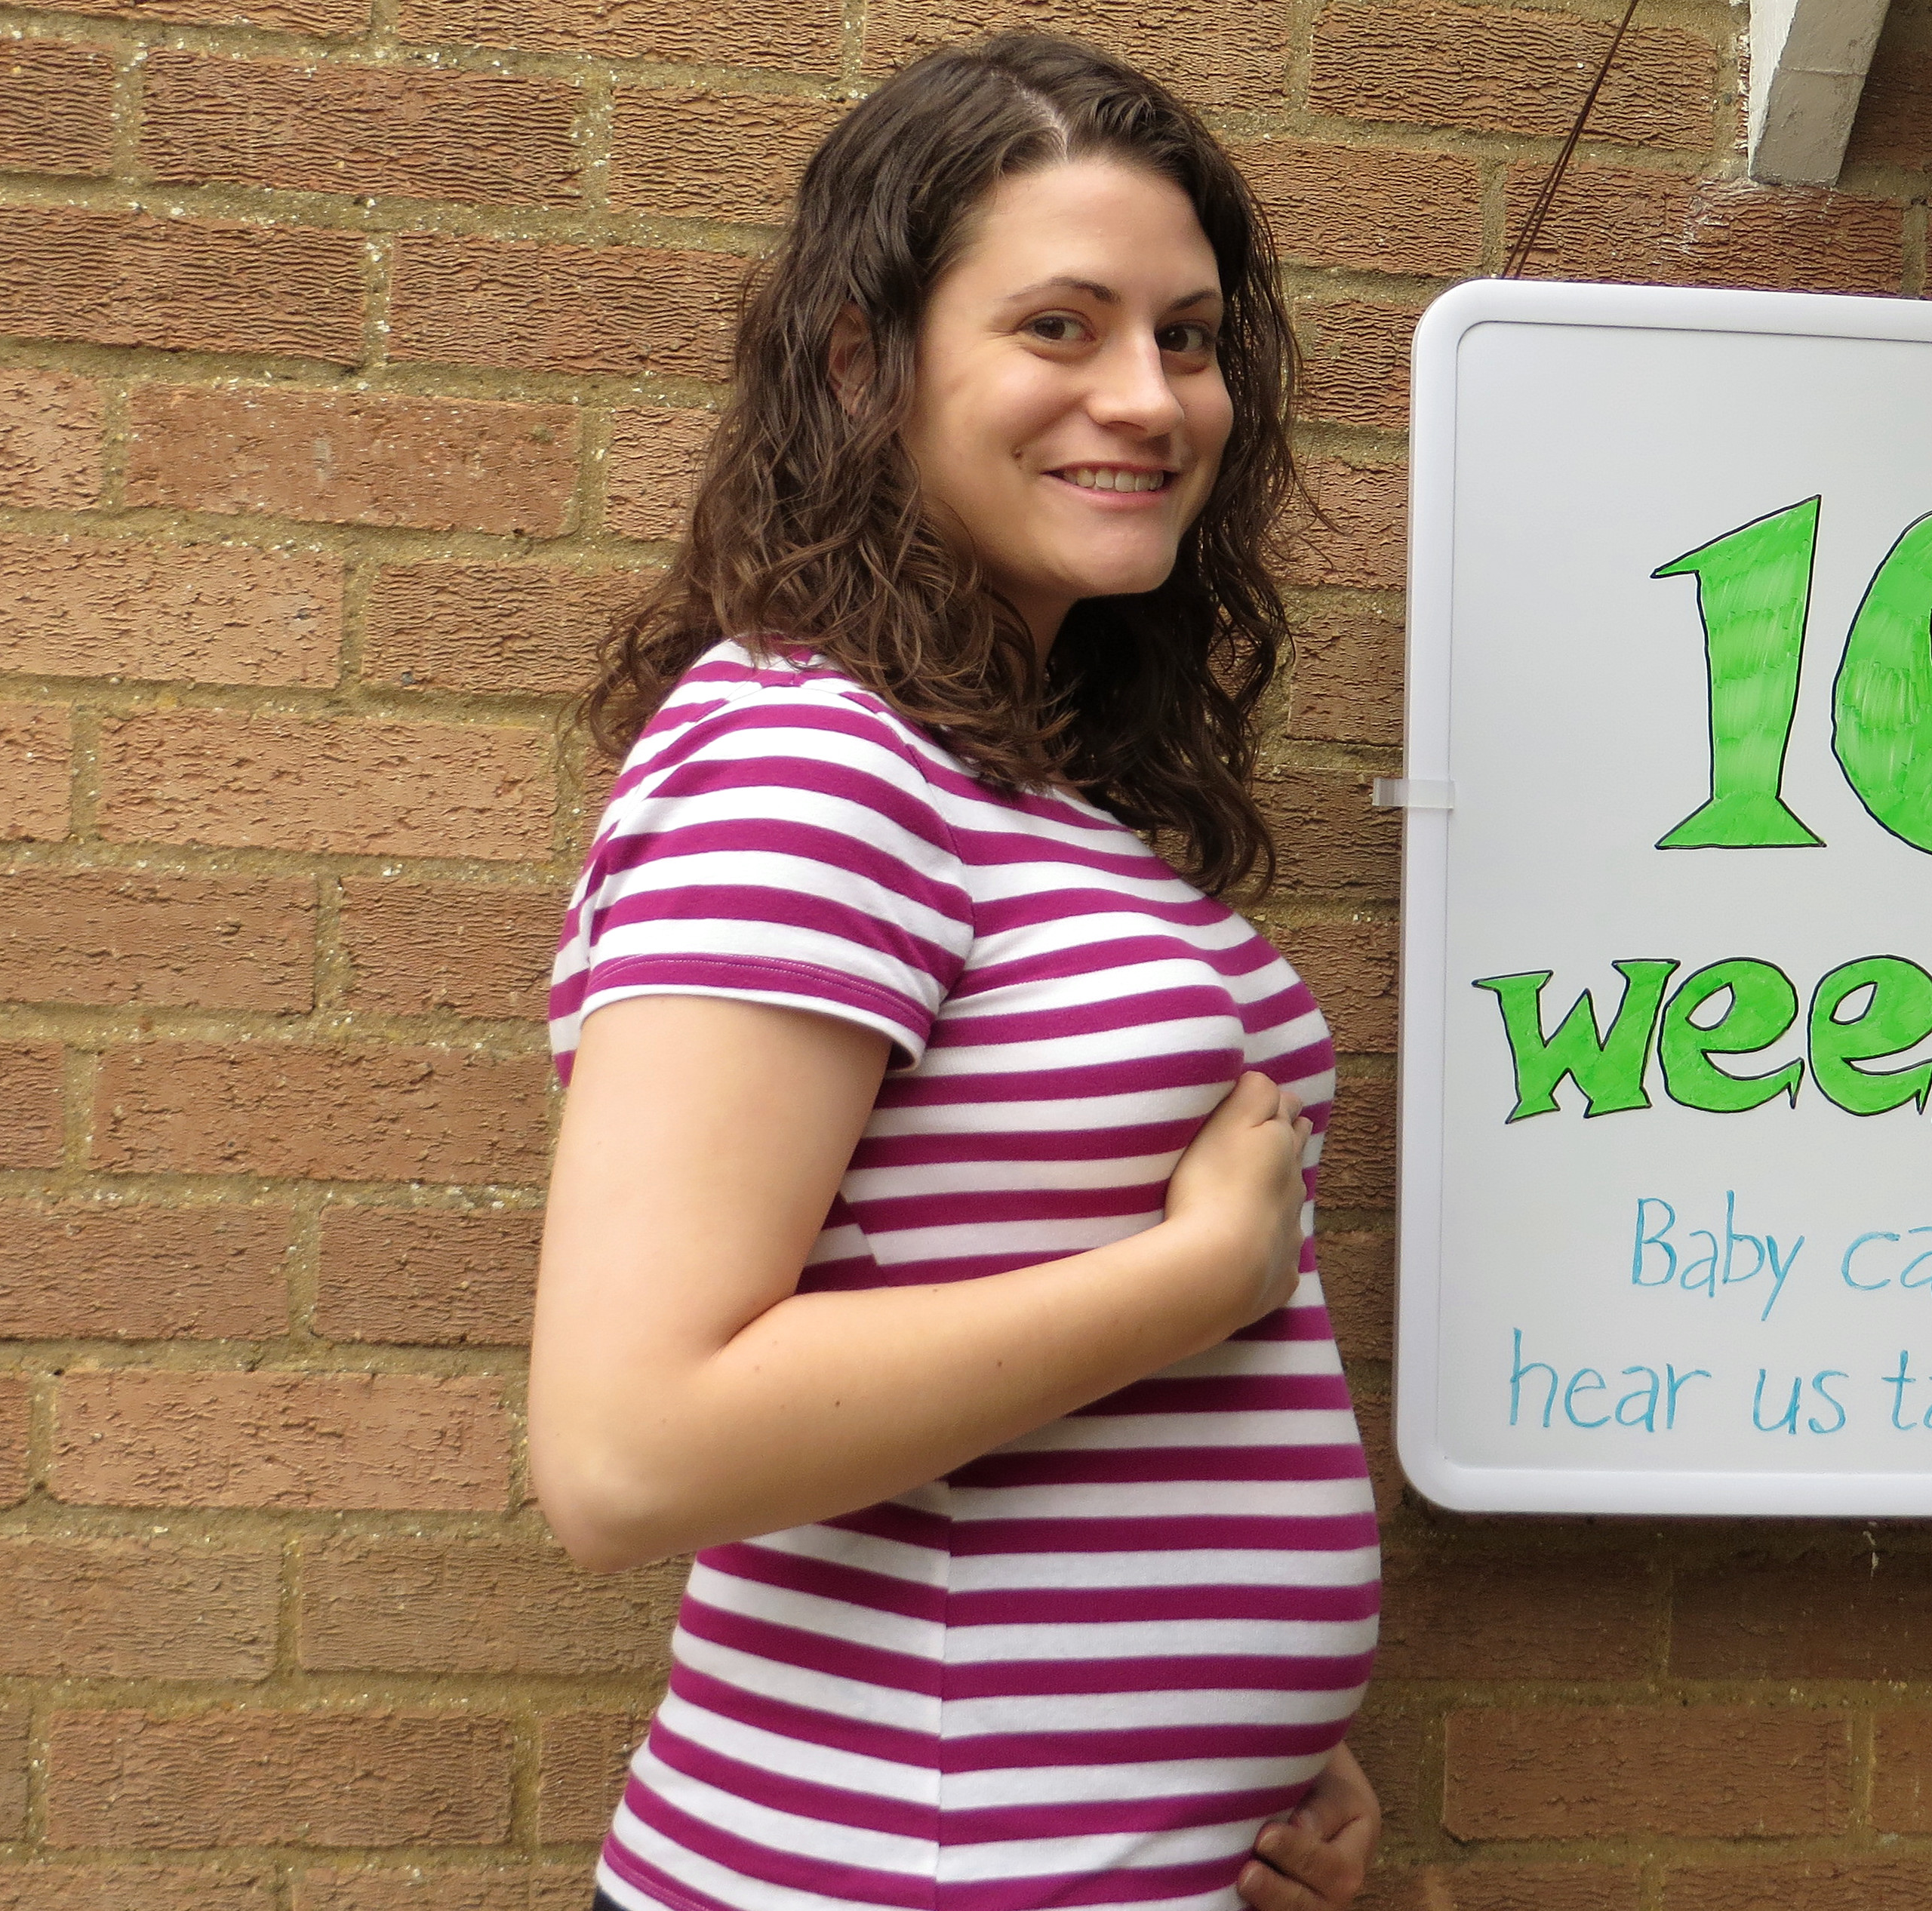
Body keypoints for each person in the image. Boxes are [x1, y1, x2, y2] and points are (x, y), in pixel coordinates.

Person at [529, 35, 1382, 1911]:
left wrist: (1237, 1741)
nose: (1149, 397)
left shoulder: (1006, 780)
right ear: (864, 365)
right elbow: (626, 1447)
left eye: (1188, 337)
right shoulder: (808, 759)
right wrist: (1196, 1279)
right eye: (1060, 327)